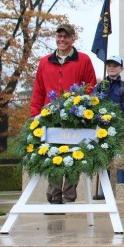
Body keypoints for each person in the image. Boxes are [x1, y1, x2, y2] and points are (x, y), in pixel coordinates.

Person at [31, 23, 97, 205]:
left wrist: (84, 110)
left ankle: (69, 196)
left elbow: (90, 86)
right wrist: (35, 114)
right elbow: (38, 89)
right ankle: (54, 196)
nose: (62, 40)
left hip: (75, 116)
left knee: (73, 155)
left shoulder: (83, 60)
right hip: (50, 117)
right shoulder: (45, 61)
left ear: (73, 38)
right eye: (59, 36)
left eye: (66, 36)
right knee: (52, 155)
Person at [93, 55, 124, 199]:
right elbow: (94, 105)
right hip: (102, 128)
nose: (111, 68)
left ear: (121, 68)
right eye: (109, 65)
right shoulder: (100, 86)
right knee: (104, 159)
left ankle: (121, 190)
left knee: (120, 159)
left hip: (119, 127)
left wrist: (111, 116)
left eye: (115, 65)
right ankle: (104, 192)